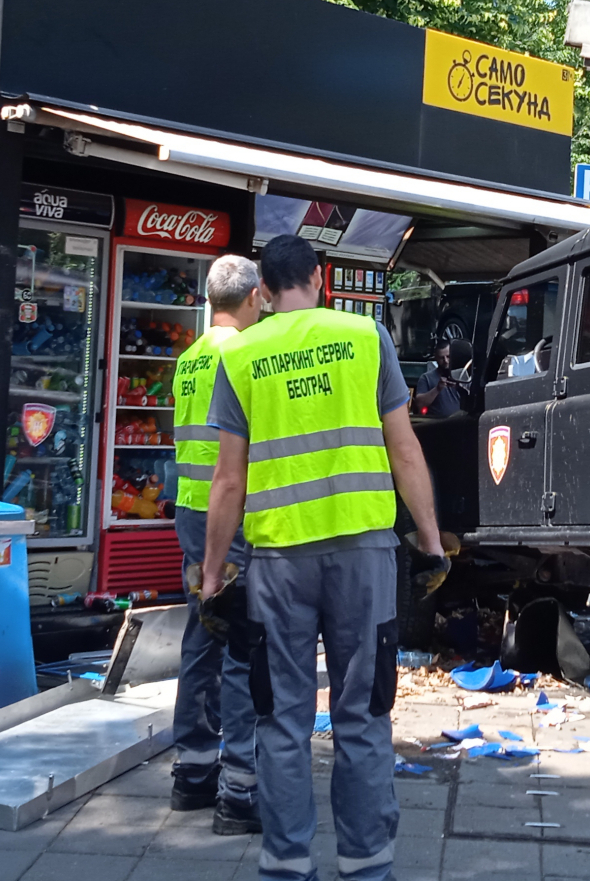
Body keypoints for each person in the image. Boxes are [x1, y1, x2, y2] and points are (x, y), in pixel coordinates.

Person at [200, 234, 446, 881]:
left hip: (278, 562)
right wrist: (430, 542)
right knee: (362, 713)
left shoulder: (242, 354)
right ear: (320, 278)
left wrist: (212, 573)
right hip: (363, 556)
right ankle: (366, 864)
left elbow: (228, 479)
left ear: (262, 291)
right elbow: (405, 449)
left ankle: (285, 863)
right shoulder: (366, 338)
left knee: (281, 718)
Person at [169, 255, 265, 833]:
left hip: (190, 512)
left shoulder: (189, 358)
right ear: (253, 297)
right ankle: (240, 788)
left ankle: (192, 771)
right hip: (233, 514)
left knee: (201, 636)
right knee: (241, 644)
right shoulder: (246, 354)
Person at [411, 338, 473, 417]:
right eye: (441, 358)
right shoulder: (426, 378)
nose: (446, 361)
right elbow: (419, 404)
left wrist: (459, 388)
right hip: (437, 422)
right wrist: (437, 389)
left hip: (460, 421)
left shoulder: (462, 375)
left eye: (448, 356)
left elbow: (472, 400)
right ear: (436, 358)